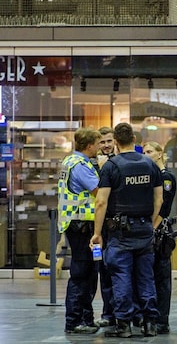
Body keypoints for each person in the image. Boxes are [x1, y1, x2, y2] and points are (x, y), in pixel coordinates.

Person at [90, 122, 163, 338]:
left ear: (116, 143)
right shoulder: (149, 164)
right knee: (146, 276)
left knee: (121, 275)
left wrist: (97, 233)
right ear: (134, 140)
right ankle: (150, 322)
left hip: (120, 231)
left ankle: (123, 324)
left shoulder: (111, 166)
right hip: (144, 228)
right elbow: (159, 198)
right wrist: (149, 220)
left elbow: (101, 202)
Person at [58, 127, 102, 334]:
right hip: (82, 225)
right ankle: (74, 321)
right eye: (98, 143)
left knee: (88, 273)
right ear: (89, 145)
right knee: (82, 273)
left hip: (77, 223)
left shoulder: (70, 161)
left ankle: (85, 318)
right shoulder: (81, 166)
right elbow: (98, 191)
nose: (100, 147)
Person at [143, 141, 177, 334]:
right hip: (147, 230)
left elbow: (164, 206)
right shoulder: (148, 177)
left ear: (159, 154)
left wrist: (153, 228)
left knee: (162, 278)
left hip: (160, 233)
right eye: (144, 151)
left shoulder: (166, 178)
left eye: (150, 151)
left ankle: (162, 320)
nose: (146, 154)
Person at [91, 126, 116, 328]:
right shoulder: (92, 165)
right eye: (102, 142)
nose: (106, 145)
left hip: (119, 223)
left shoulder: (121, 162)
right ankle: (108, 313)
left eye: (109, 141)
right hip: (100, 225)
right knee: (104, 271)